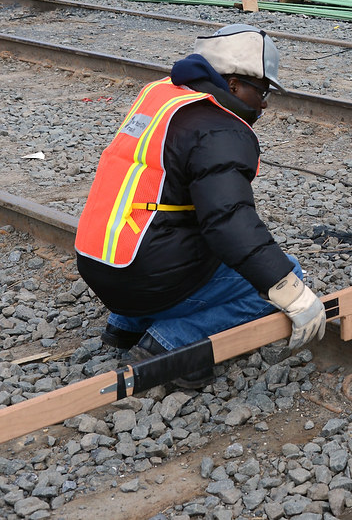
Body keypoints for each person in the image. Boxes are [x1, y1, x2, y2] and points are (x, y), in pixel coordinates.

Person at [75, 24, 326, 387]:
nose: (266, 102)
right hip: (145, 279)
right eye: (263, 89)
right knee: (287, 275)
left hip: (100, 265)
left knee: (177, 220)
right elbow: (229, 222)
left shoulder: (160, 95)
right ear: (235, 83)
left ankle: (126, 325)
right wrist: (291, 292)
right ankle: (172, 341)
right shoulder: (220, 129)